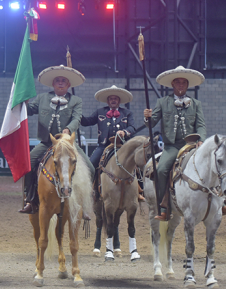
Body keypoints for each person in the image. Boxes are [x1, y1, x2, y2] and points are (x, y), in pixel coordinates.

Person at [19, 65, 92, 214]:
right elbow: (29, 111)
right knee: (29, 163)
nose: (60, 82)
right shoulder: (42, 98)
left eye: (63, 80)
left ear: (68, 85)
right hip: (47, 143)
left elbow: (77, 118)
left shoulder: (76, 100)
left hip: (68, 144)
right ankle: (30, 199)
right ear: (53, 84)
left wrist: (69, 130)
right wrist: (23, 103)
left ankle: (84, 203)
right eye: (57, 80)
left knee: (90, 168)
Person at [143, 66, 207, 221]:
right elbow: (151, 124)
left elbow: (201, 125)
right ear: (172, 84)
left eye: (183, 82)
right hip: (172, 147)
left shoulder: (196, 104)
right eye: (177, 82)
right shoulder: (162, 102)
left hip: (192, 146)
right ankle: (164, 207)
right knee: (161, 170)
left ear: (187, 85)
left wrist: (201, 140)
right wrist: (147, 118)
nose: (180, 85)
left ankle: (220, 202)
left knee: (210, 164)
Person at [81, 85, 136, 170]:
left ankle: (140, 183)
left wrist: (124, 132)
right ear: (107, 101)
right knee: (90, 166)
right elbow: (87, 122)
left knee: (137, 167)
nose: (113, 100)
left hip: (123, 145)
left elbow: (132, 127)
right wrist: (77, 114)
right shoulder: (100, 112)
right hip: (104, 146)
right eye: (111, 98)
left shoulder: (127, 113)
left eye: (115, 98)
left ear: (119, 101)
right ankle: (92, 183)